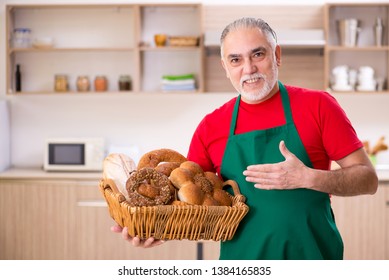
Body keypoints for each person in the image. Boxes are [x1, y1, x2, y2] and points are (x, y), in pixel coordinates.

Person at [111, 17, 378, 259]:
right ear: (226, 67)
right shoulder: (211, 127)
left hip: (314, 258)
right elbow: (189, 206)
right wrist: (156, 230)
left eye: (258, 54)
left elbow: (368, 179)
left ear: (277, 55)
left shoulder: (319, 106)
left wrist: (309, 178)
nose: (248, 69)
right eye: (236, 60)